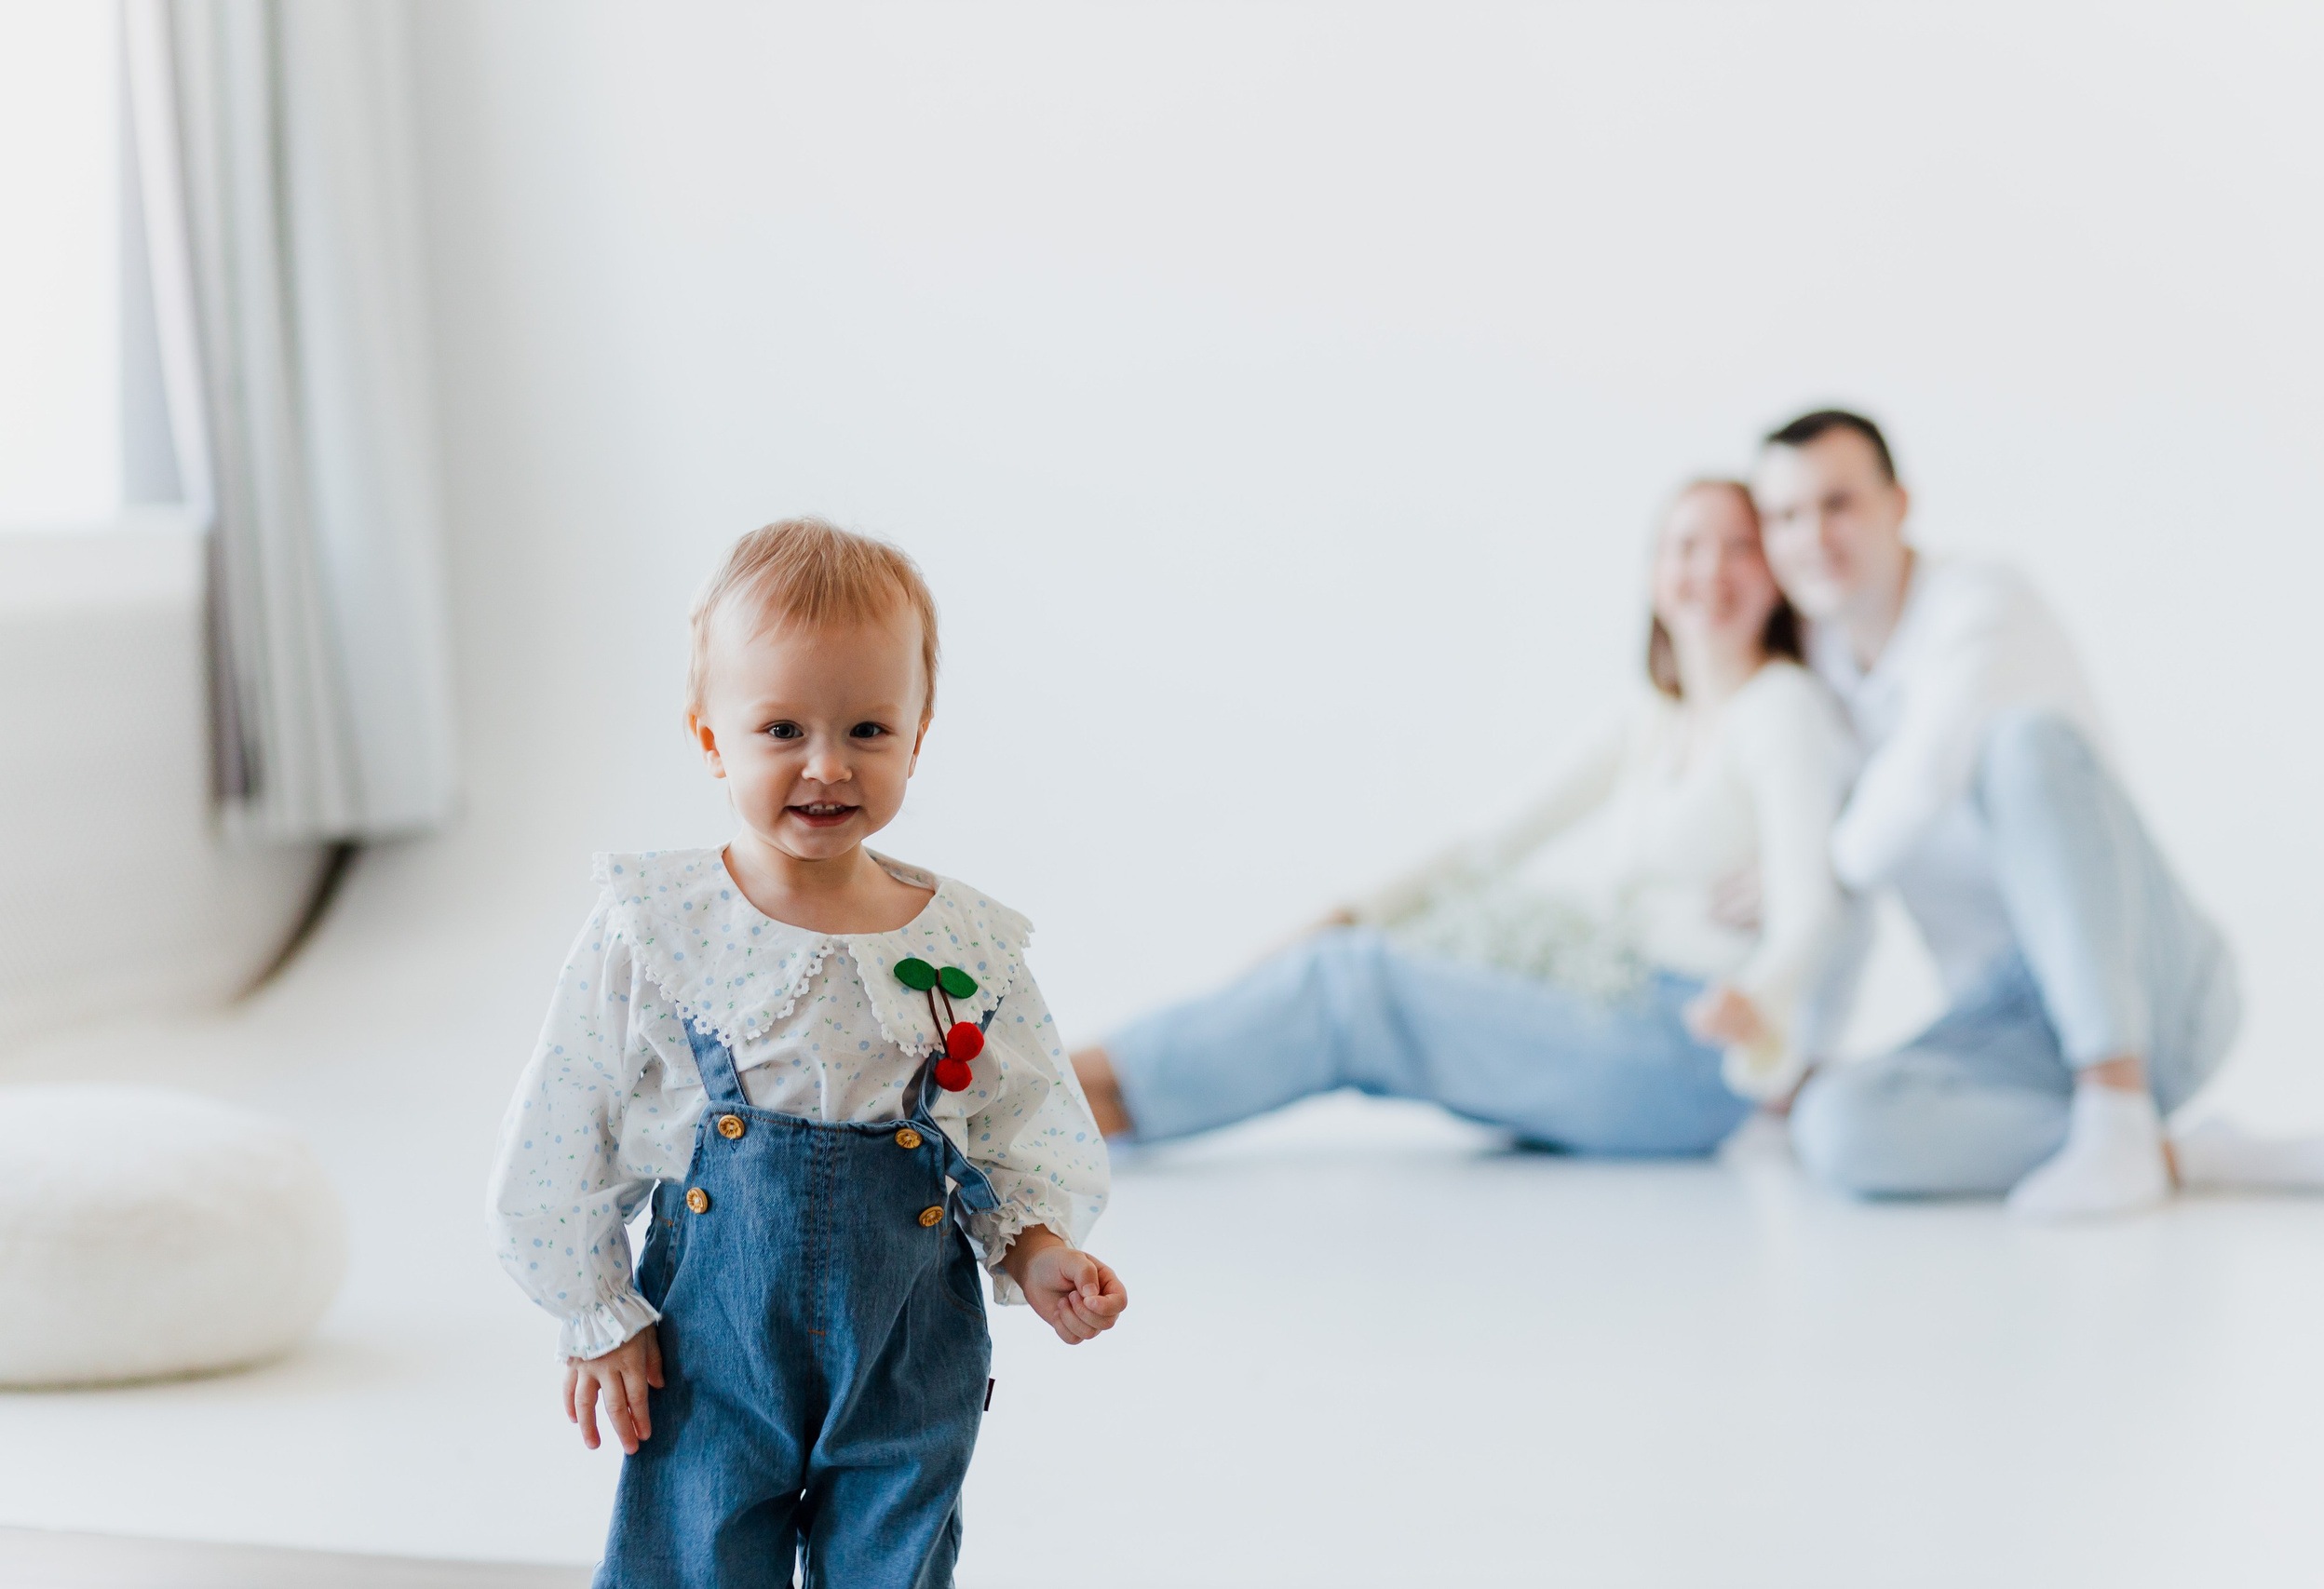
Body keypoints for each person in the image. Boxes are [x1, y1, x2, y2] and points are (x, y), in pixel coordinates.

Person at [487, 519, 1127, 1588]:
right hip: (711, 1355)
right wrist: (596, 1312)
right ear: (711, 739)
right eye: (781, 729)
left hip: (906, 1353)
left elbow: (1015, 1128)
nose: (826, 766)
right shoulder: (659, 928)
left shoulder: (964, 945)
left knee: (896, 1562)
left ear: (917, 738)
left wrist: (1039, 1250)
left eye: (867, 729)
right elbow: (568, 1113)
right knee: (695, 1559)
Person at [1071, 479, 1854, 1154]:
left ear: (1776, 575)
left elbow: (1810, 907)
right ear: (1655, 574)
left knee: (1352, 987)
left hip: (1689, 1055)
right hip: (1617, 1006)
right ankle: (1058, 1109)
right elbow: (1488, 844)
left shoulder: (1780, 708)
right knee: (1345, 971)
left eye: (1740, 546)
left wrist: (1760, 996)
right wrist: (1341, 916)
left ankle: (1045, 1091)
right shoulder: (1652, 716)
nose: (1711, 569)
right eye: (1687, 546)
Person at [1759, 410, 2324, 1217]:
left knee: (2023, 744)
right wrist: (1799, 1051)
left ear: (1898, 504)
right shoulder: (1816, 673)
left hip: (2153, 986)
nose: (1812, 537)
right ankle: (2176, 1154)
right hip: (2010, 1023)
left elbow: (1900, 809)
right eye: (1785, 516)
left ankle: (2117, 1099)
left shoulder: (1982, 601)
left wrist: (1803, 862)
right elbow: (1850, 907)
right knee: (1832, 1126)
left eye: (1838, 504)